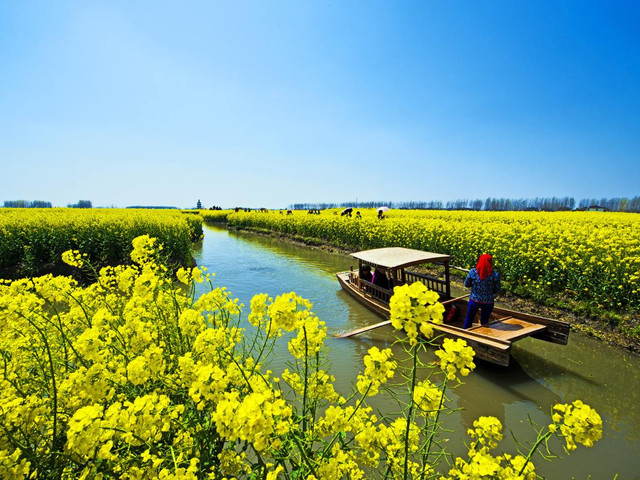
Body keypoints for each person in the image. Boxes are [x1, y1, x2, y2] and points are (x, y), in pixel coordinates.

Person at [463, 254, 501, 329]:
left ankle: (465, 334)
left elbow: (466, 284)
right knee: (484, 322)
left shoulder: (472, 272)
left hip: (474, 300)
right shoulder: (495, 275)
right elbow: (497, 289)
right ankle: (483, 336)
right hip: (488, 302)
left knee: (469, 319)